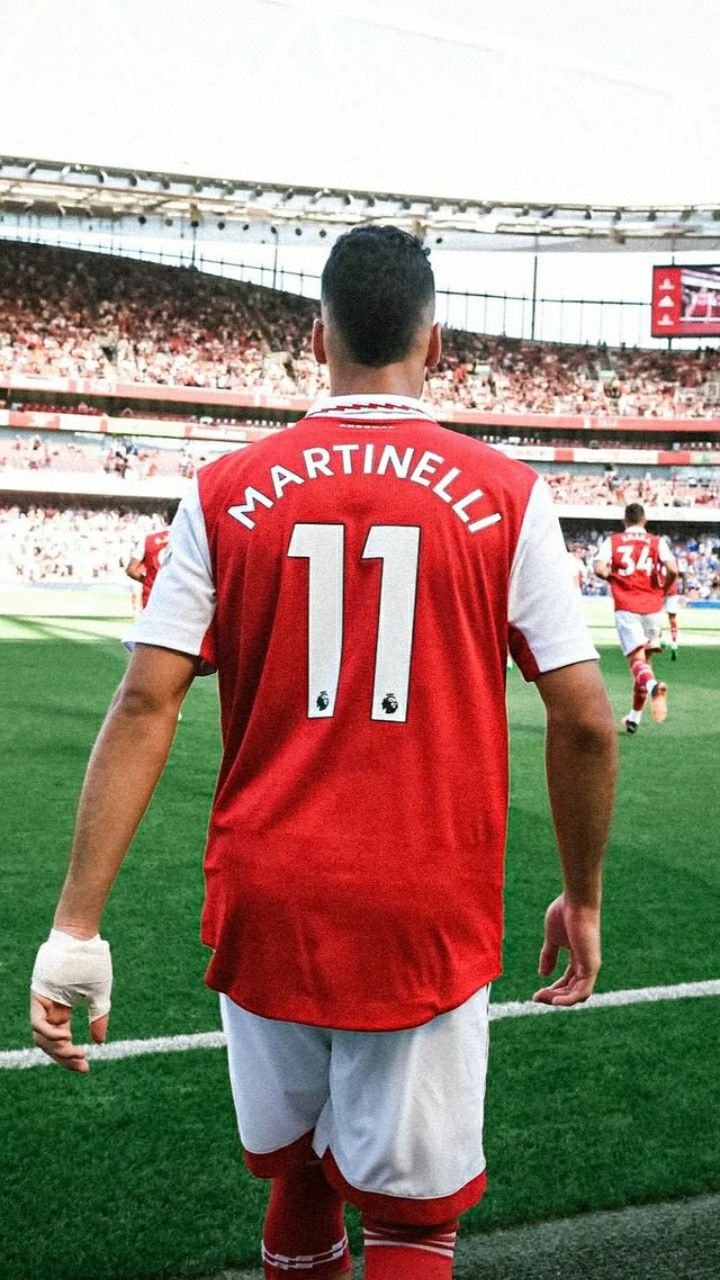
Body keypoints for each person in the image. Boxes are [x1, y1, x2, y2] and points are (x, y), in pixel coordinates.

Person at [30, 227, 617, 1280]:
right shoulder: (507, 494)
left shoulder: (222, 491)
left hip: (269, 894)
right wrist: (582, 894)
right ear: (435, 343)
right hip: (420, 903)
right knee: (410, 1220)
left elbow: (144, 701)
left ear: (317, 338)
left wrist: (75, 925)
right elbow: (582, 717)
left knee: (299, 1172)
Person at [594, 502, 678, 734]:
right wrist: (662, 589)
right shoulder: (657, 541)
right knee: (645, 663)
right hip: (652, 608)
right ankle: (634, 718)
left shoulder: (613, 541)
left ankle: (654, 688)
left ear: (624, 520)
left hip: (627, 606)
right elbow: (673, 569)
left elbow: (599, 568)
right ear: (645, 520)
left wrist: (612, 578)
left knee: (637, 663)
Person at [124, 521, 172, 610]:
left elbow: (131, 570)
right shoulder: (189, 538)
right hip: (182, 597)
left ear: (165, 519)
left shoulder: (148, 538)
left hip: (153, 598)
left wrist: (148, 581)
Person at [665, 576, 680, 659]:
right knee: (672, 619)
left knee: (654, 615)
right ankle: (674, 642)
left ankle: (659, 640)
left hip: (658, 590)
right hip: (672, 591)